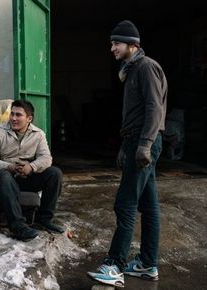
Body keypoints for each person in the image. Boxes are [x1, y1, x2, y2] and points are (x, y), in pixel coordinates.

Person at [87, 20, 167, 288]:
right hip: (136, 142)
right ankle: (147, 263)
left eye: (116, 43)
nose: (112, 48)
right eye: (112, 43)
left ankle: (115, 265)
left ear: (133, 45)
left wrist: (143, 144)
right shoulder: (133, 70)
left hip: (144, 143)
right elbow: (136, 114)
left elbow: (155, 109)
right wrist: (126, 144)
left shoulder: (146, 67)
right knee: (149, 205)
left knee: (125, 203)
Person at [0, 100, 65, 241]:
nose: (13, 118)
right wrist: (8, 166)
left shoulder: (38, 134)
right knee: (4, 176)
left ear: (29, 118)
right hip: (0, 178)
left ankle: (43, 219)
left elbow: (46, 158)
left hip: (24, 177)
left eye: (18, 115)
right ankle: (17, 226)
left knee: (54, 173)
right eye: (12, 114)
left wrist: (31, 168)